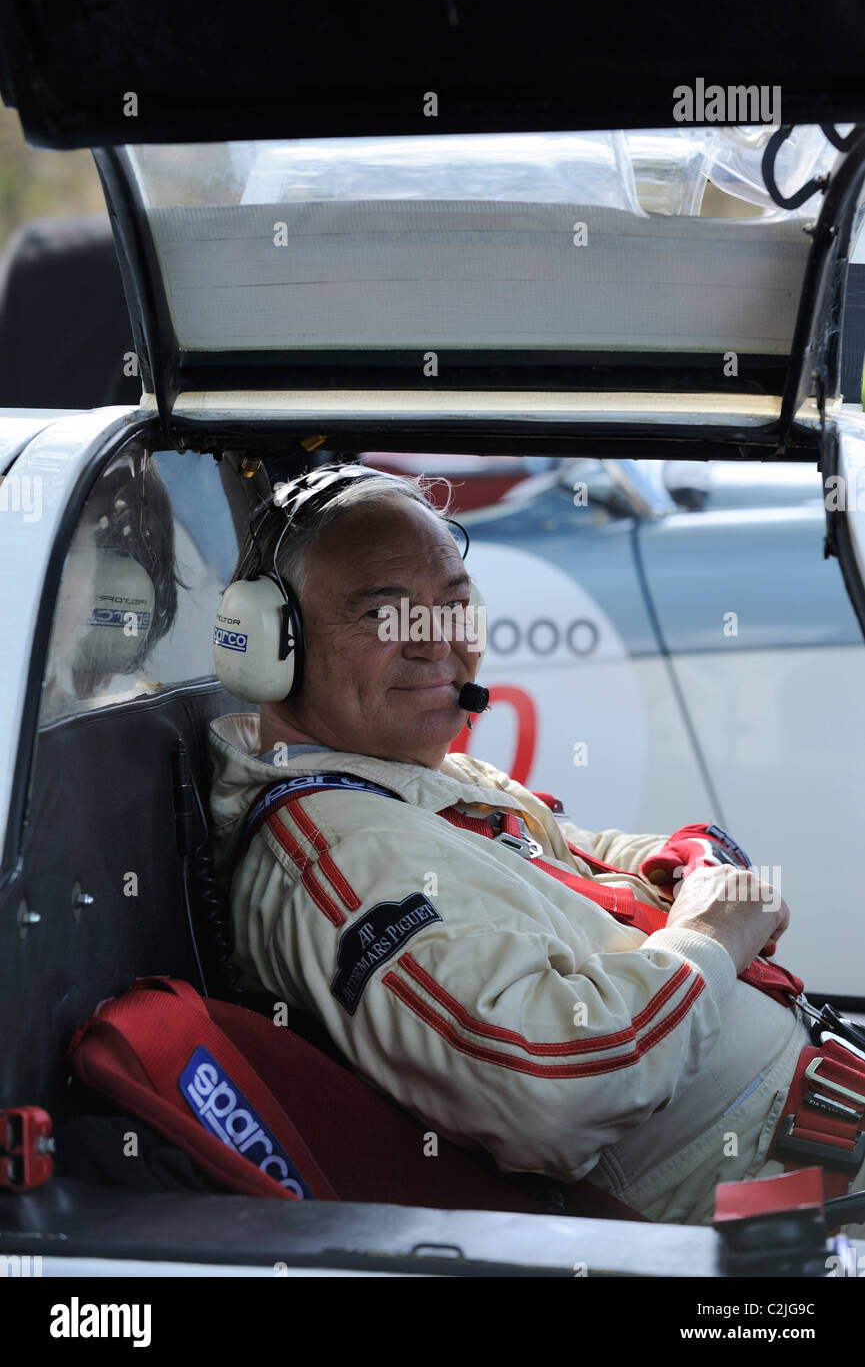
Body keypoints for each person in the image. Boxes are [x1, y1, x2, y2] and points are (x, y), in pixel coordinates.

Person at [208, 463, 865, 1226]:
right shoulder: (344, 856)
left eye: (454, 604)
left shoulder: (409, 781)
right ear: (268, 642)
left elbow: (576, 850)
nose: (436, 642)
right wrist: (714, 934)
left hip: (814, 1132)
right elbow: (550, 1087)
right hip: (764, 1204)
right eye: (384, 616)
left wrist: (681, 867)